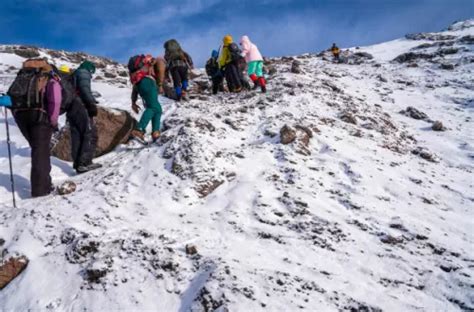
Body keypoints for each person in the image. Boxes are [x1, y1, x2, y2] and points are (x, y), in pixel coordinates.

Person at [9, 59, 56, 197]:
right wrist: (53, 121)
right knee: (41, 153)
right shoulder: (46, 76)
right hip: (39, 116)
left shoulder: (22, 76)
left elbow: (11, 99)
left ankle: (45, 182)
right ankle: (41, 190)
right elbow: (54, 100)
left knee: (37, 150)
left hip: (21, 117)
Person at [69, 61, 102, 173]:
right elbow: (84, 89)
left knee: (76, 135)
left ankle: (78, 163)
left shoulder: (74, 74)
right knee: (90, 133)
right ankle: (85, 162)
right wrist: (91, 104)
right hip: (81, 105)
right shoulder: (83, 72)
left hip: (71, 107)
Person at [128, 55, 163, 143]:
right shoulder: (148, 60)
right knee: (153, 107)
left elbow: (134, 88)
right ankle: (139, 130)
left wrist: (133, 102)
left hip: (140, 85)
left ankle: (155, 132)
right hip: (147, 82)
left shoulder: (135, 74)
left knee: (158, 109)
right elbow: (155, 61)